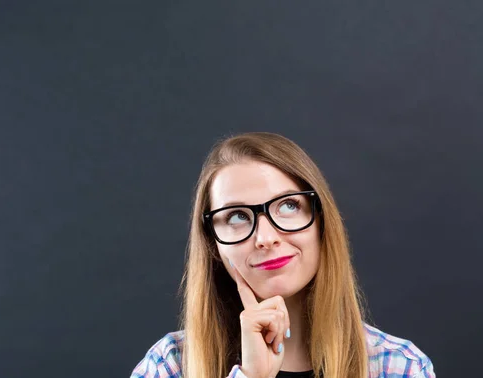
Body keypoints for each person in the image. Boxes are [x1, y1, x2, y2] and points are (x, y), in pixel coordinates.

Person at [130, 132, 435, 378]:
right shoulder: (169, 366)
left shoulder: (397, 367)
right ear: (213, 245)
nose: (265, 238)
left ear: (321, 222)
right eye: (237, 216)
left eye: (288, 206)